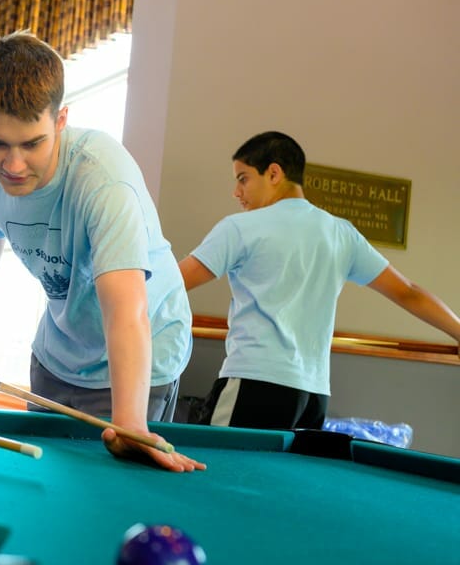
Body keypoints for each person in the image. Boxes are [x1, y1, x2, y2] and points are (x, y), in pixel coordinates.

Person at [0, 31, 204, 473]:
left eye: (32, 143)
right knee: (52, 478)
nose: (12, 166)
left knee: (115, 488)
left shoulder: (102, 178)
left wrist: (129, 423)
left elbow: (125, 306)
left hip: (139, 352)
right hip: (59, 351)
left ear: (60, 120)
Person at [179, 131, 460, 431]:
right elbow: (409, 292)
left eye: (243, 178)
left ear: (274, 173)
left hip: (254, 381)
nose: (237, 192)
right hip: (312, 395)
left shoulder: (240, 228)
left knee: (220, 472)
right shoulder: (341, 233)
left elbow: (174, 282)